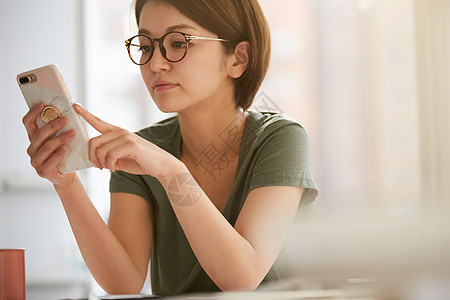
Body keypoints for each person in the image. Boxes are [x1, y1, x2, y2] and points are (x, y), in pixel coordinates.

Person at [22, 0, 318, 296]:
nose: (155, 64)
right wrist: (66, 182)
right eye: (146, 47)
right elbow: (122, 283)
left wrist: (171, 171)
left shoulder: (279, 139)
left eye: (178, 43)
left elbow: (240, 279)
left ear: (238, 59)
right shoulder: (143, 151)